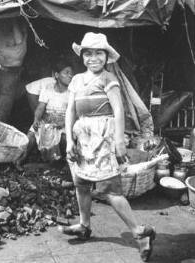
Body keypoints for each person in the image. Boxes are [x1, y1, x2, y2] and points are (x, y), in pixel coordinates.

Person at [60, 32, 156, 262]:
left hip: (103, 137)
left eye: (99, 53)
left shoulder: (108, 79)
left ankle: (140, 232)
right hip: (81, 137)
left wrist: (119, 141)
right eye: (89, 53)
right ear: (82, 56)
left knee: (110, 189)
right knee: (81, 183)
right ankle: (84, 225)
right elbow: (70, 111)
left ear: (106, 56)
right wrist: (70, 140)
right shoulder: (76, 81)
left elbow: (119, 111)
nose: (94, 58)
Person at [15, 56, 74, 170]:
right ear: (57, 75)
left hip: (64, 122)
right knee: (30, 137)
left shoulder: (72, 92)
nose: (70, 75)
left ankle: (64, 164)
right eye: (66, 72)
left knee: (65, 139)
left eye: (71, 73)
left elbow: (73, 112)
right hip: (47, 120)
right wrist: (36, 120)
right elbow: (40, 108)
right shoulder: (48, 89)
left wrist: (63, 122)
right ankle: (19, 160)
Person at [0, 17, 28, 123]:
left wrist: (12, 18)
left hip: (10, 73)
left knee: (2, 110)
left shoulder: (19, 31)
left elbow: (18, 39)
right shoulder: (0, 28)